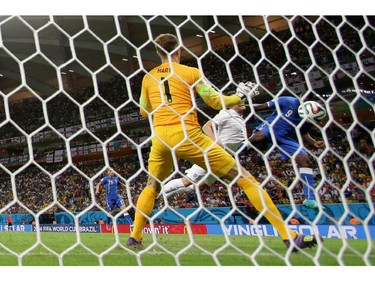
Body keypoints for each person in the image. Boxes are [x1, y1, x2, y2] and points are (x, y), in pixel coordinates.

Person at [126, 33, 320, 252]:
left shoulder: (148, 78)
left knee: (152, 186)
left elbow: (144, 110)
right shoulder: (191, 72)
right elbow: (216, 101)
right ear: (178, 50)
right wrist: (239, 96)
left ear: (158, 52)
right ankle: (289, 236)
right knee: (246, 179)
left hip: (161, 138)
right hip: (188, 135)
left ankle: (135, 237)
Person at [248, 96, 326, 210]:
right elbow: (263, 106)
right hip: (271, 127)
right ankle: (236, 149)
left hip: (285, 138)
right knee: (257, 138)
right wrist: (244, 107)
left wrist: (313, 142)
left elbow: (303, 132)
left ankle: (310, 199)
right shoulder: (288, 101)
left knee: (306, 162)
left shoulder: (310, 118)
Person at [162, 97, 248, 197]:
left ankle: (166, 195)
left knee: (201, 186)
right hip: (215, 154)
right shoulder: (226, 114)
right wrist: (216, 140)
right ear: (230, 104)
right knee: (186, 181)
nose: (243, 103)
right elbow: (207, 126)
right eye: (239, 101)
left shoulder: (240, 119)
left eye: (243, 101)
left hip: (225, 159)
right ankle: (155, 195)